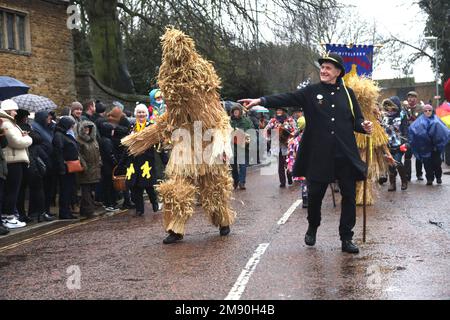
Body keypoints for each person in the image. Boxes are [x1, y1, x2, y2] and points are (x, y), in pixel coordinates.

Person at [239, 53, 373, 254]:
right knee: (315, 195)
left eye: (328, 68)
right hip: (319, 153)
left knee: (349, 195)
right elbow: (287, 97)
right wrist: (261, 100)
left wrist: (364, 126)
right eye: (322, 67)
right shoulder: (311, 92)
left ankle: (346, 237)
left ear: (338, 72)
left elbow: (356, 121)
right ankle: (313, 225)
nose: (324, 70)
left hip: (345, 153)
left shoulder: (348, 93)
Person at [0, 100, 32, 229]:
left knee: (13, 190)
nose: (16, 112)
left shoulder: (9, 122)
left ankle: (10, 215)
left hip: (15, 159)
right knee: (12, 191)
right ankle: (8, 217)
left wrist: (22, 135)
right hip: (12, 160)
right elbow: (16, 142)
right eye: (14, 110)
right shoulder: (6, 123)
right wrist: (28, 138)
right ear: (8, 110)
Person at [408, 104, 450, 185]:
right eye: (425, 111)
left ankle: (438, 177)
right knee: (427, 164)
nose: (427, 112)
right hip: (425, 147)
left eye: (429, 110)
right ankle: (429, 178)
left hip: (435, 147)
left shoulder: (436, 120)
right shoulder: (419, 121)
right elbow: (413, 129)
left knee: (437, 163)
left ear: (432, 111)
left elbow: (443, 131)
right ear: (423, 112)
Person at [381, 96, 409, 191]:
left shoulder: (402, 115)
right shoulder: (384, 116)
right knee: (390, 164)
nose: (390, 109)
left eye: (392, 106)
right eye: (388, 106)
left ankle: (404, 180)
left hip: (399, 144)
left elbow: (405, 130)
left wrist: (405, 142)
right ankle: (392, 183)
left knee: (397, 162)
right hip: (387, 145)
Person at [264, 107, 297, 187]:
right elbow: (266, 130)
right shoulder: (273, 120)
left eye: (280, 110)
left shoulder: (290, 120)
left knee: (288, 162)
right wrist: (270, 133)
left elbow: (295, 130)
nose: (278, 111)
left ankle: (289, 176)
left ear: (283, 111)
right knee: (280, 164)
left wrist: (289, 137)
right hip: (276, 145)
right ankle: (282, 181)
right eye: (277, 110)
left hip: (287, 145)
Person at [77, 121, 102, 218]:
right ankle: (89, 211)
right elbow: (79, 155)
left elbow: (98, 153)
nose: (87, 130)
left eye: (88, 128)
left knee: (90, 190)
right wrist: (84, 166)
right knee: (86, 191)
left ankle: (84, 210)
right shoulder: (79, 140)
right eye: (85, 128)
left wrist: (100, 162)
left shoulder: (94, 140)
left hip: (95, 169)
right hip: (86, 170)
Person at [230, 104, 253, 190]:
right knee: (233, 167)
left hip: (243, 147)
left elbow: (252, 131)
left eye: (237, 111)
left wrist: (246, 136)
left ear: (240, 112)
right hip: (232, 147)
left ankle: (242, 182)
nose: (235, 112)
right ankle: (235, 181)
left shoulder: (246, 121)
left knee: (243, 165)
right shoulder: (229, 121)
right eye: (234, 111)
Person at [404, 91, 424, 181]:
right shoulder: (404, 109)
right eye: (409, 97)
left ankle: (419, 174)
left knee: (418, 156)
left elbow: (421, 121)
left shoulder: (421, 109)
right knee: (407, 156)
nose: (411, 99)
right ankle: (407, 175)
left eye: (413, 97)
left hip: (418, 135)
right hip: (408, 136)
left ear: (416, 99)